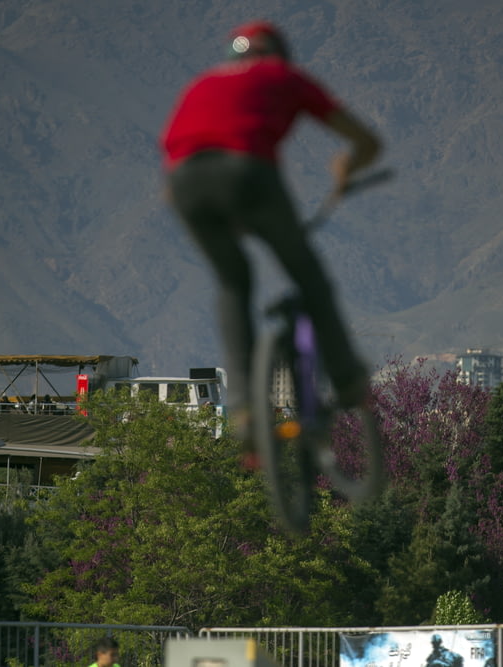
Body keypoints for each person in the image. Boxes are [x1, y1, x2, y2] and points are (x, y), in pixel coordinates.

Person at [160, 20, 384, 448]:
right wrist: (346, 167)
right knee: (307, 274)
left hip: (184, 181)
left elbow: (174, 164)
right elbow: (367, 142)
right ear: (278, 52)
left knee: (232, 282)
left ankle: (244, 410)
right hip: (248, 170)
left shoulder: (201, 83)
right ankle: (349, 381)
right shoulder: (285, 76)